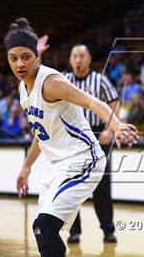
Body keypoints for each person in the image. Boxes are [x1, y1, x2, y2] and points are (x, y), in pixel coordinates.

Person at [6, 18, 139, 257]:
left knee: (43, 226)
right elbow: (41, 133)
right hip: (58, 165)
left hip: (83, 158)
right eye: (13, 58)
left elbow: (94, 101)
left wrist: (116, 126)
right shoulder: (23, 88)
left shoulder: (52, 83)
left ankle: (107, 229)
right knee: (43, 230)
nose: (19, 63)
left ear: (37, 57)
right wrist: (26, 167)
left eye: (26, 56)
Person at [41, 44, 121, 243]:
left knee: (102, 189)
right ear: (70, 60)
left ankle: (108, 229)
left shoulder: (100, 80)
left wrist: (110, 129)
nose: (77, 60)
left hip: (97, 134)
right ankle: (74, 231)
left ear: (88, 59)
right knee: (69, 187)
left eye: (81, 56)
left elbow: (115, 104)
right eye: (74, 56)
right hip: (70, 140)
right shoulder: (62, 80)